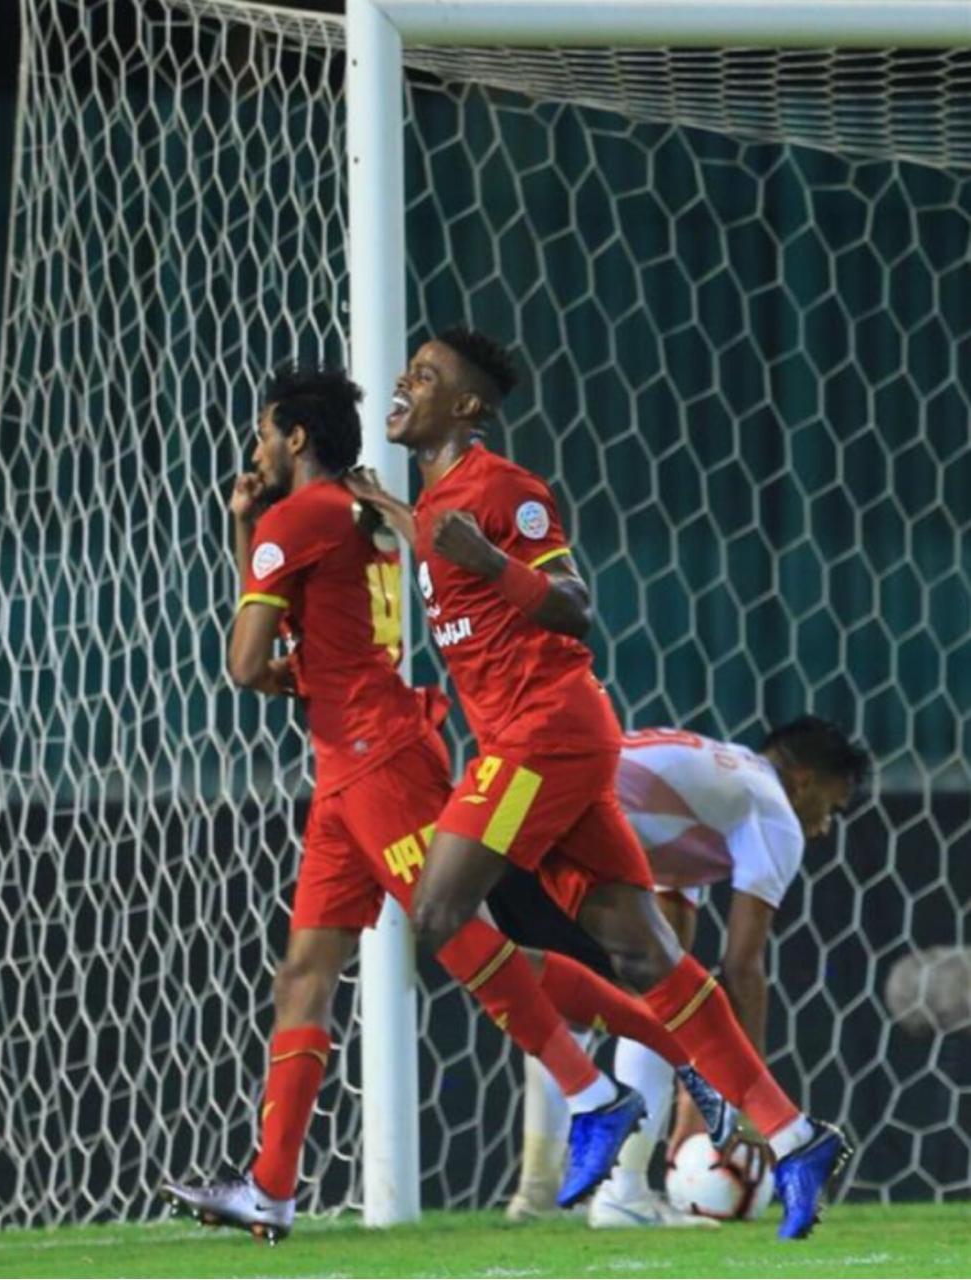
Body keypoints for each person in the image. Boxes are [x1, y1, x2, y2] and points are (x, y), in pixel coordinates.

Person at [159, 367, 731, 1242]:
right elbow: (321, 637)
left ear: (296, 439)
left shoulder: (296, 520)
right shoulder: (356, 519)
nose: (255, 448)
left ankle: (605, 1084)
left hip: (376, 756)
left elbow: (245, 665)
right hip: (350, 756)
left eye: (264, 432)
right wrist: (249, 537)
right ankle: (270, 1186)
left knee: (465, 940)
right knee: (308, 971)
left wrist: (250, 544)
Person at [360, 326, 853, 1240]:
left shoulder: (506, 492)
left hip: (541, 735)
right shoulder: (435, 508)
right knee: (644, 956)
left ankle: (594, 1099)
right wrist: (384, 505)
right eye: (408, 370)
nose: (403, 382)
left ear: (466, 408)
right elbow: (439, 544)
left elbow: (576, 608)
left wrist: (488, 562)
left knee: (436, 914)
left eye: (424, 376)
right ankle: (793, 1135)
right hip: (550, 745)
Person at [492, 718, 870, 1226]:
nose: (824, 827)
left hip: (507, 814)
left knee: (614, 1002)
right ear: (803, 780)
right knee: (657, 1003)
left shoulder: (705, 799)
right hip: (549, 819)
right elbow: (742, 968)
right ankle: (622, 1194)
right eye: (830, 807)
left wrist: (704, 1091)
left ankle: (537, 1197)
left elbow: (675, 955)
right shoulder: (771, 809)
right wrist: (747, 1100)